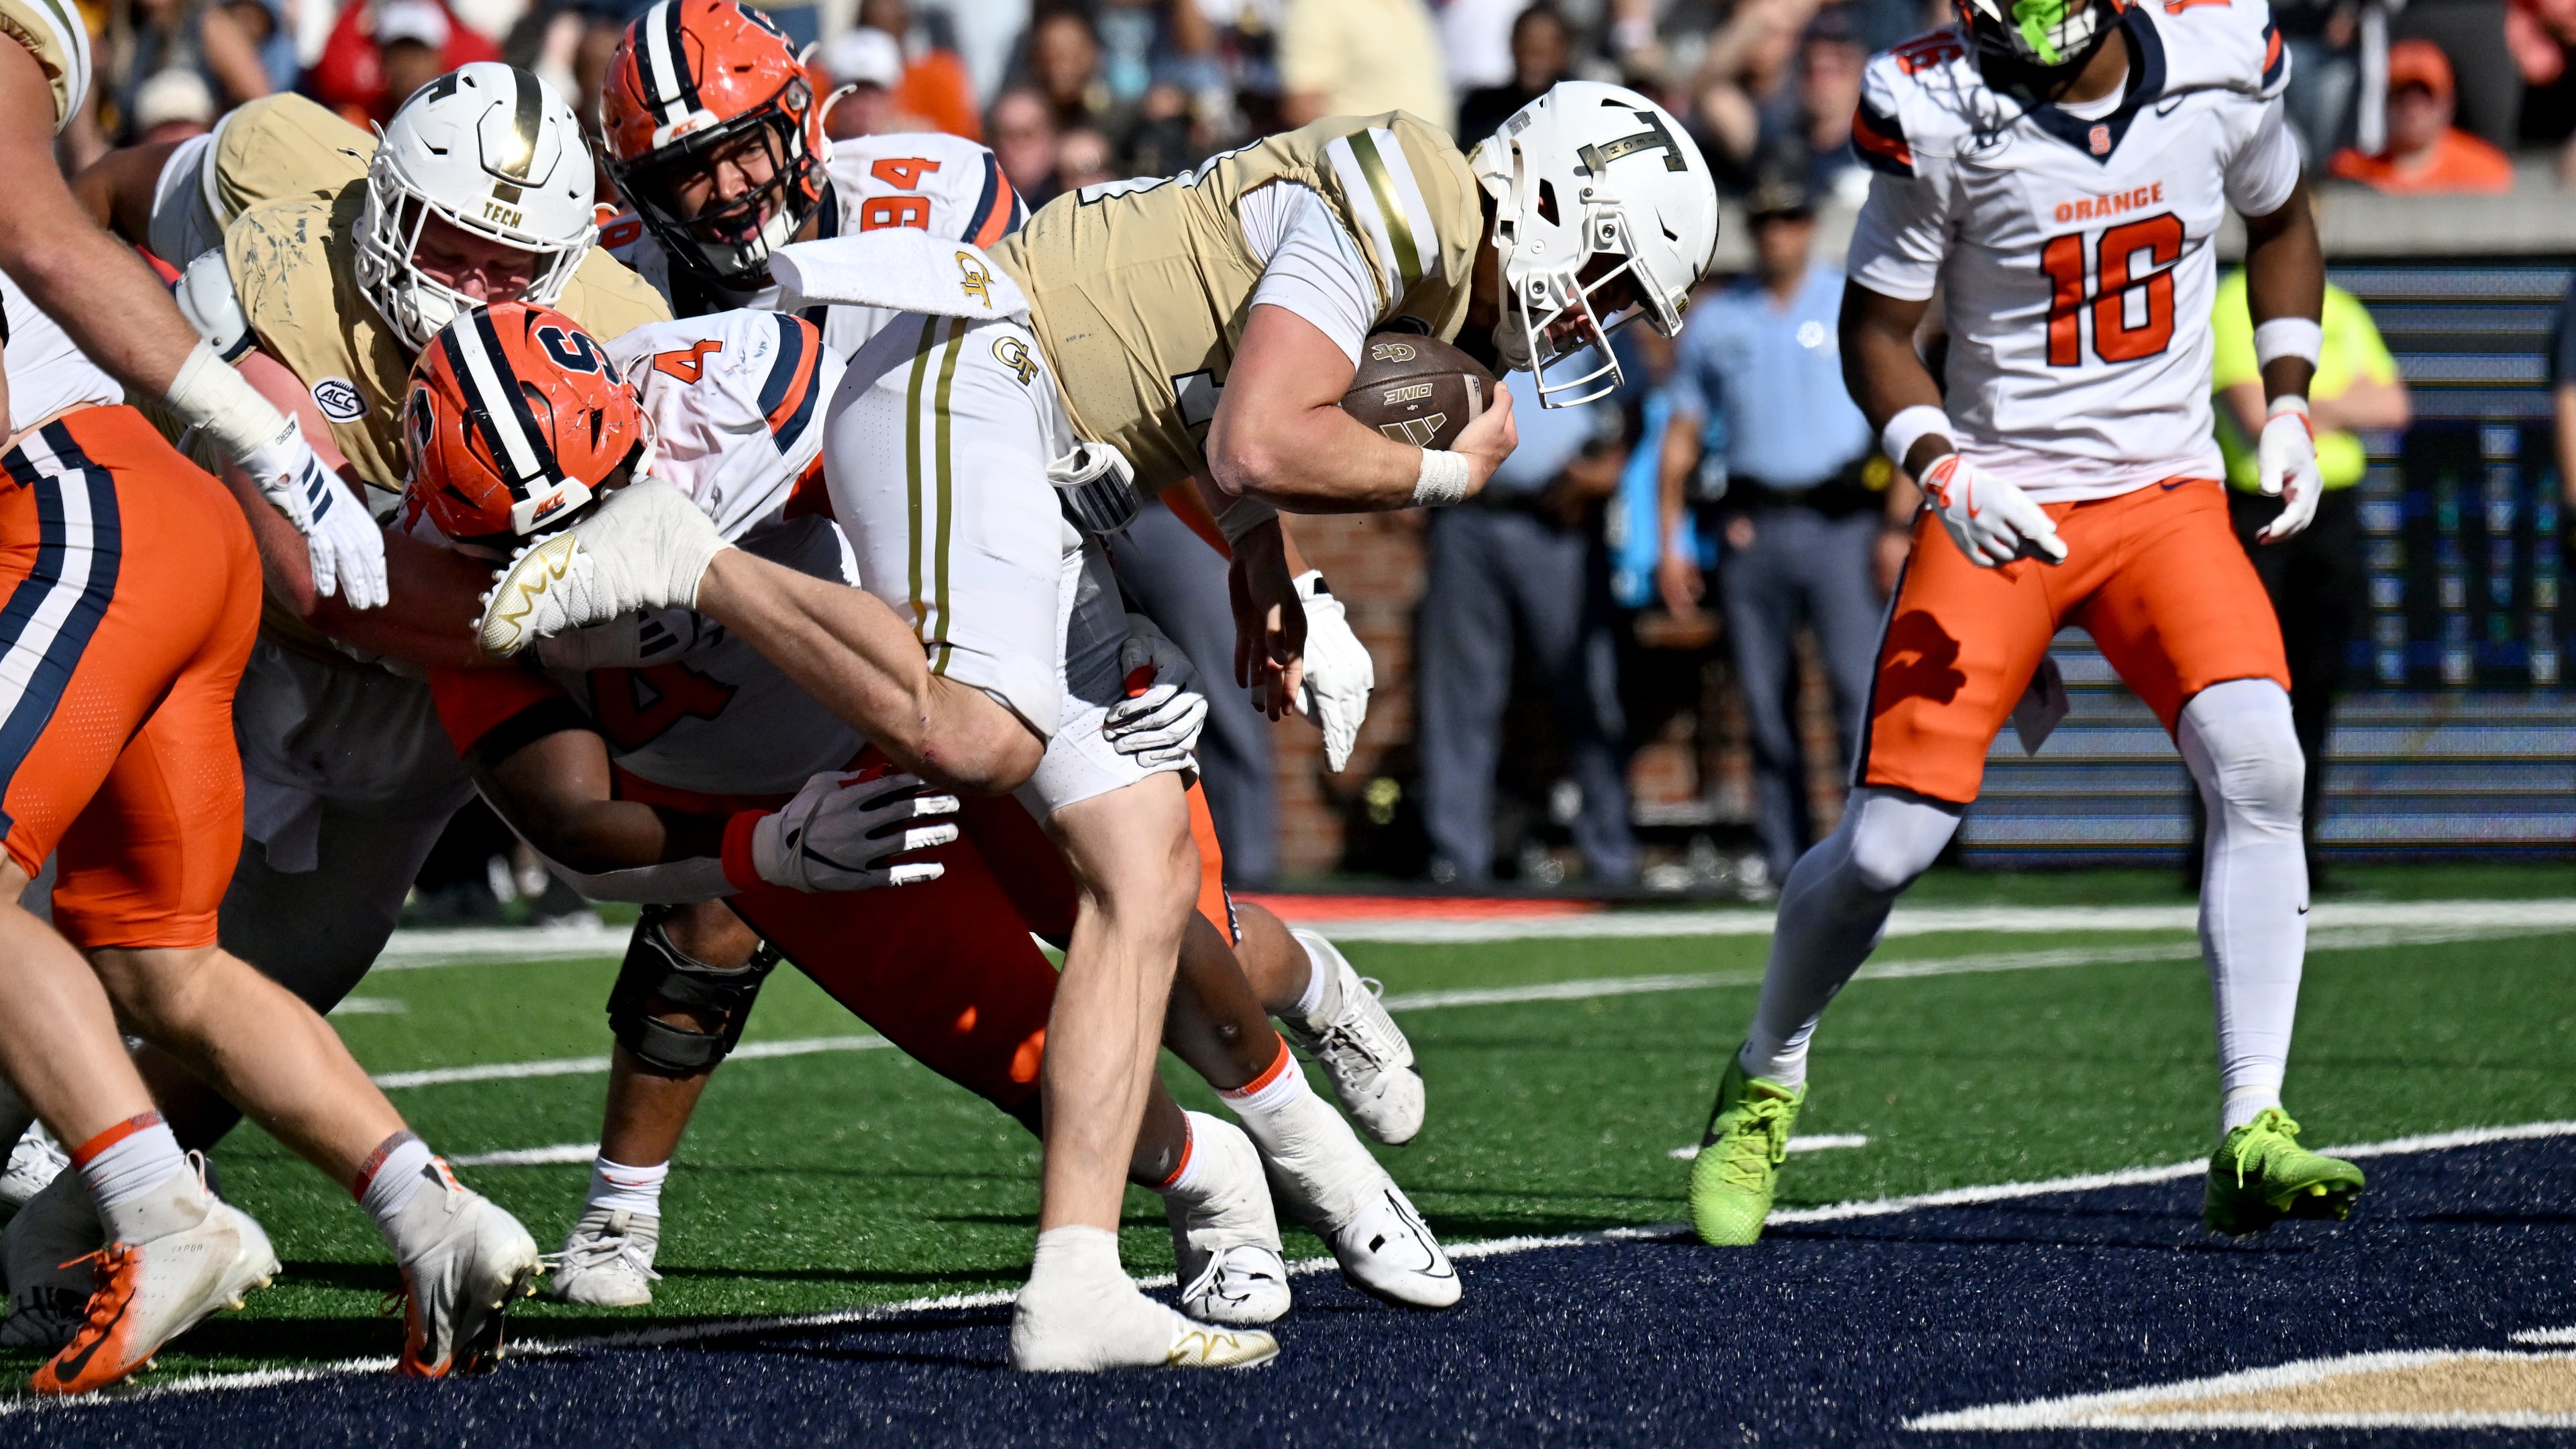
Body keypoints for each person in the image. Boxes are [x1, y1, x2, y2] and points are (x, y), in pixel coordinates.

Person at [479, 79, 1720, 1363]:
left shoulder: (1417, 235)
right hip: (969, 378)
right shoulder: (1411, 200)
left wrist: (1259, 568)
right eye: (1612, 283)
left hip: (1037, 440)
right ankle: (681, 558)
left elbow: (1197, 374)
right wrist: (1445, 470)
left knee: (1146, 870)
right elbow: (1251, 438)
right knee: (979, 737)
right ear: (1563, 200)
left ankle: (1072, 1279)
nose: (1598, 320)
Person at [5, 66, 670, 1352]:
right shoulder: (281, 193)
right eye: (453, 248)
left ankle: (112, 1200)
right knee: (90, 932)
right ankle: (123, 1191)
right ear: (385, 201)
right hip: (240, 634)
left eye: (510, 262)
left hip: (414, 689)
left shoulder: (615, 325)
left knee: (265, 970)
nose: (475, 287)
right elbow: (121, 190)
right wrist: (64, 296)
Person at [1689, 0, 2369, 1249]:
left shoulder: (2222, 59)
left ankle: (2251, 1121)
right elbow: (1876, 332)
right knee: (1891, 846)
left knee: (2261, 762)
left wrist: (2286, 399)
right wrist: (1942, 468)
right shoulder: (1935, 102)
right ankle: (1765, 1076)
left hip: (2162, 494)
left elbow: (2282, 219)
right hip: (2000, 492)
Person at [1655, 174, 1886, 888]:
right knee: (1765, 704)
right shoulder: (1722, 322)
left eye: (1790, 218)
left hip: (1842, 522)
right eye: (1764, 222)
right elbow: (1682, 438)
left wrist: (1900, 521)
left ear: (1810, 223)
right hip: (1753, 529)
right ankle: (1789, 856)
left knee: (1857, 695)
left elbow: (1894, 412)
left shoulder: (1848, 300)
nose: (1777, 234)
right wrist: (1670, 542)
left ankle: (1869, 854)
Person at [2206, 258, 2408, 881]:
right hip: (2258, 512)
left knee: (2317, 687)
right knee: (2240, 687)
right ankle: (2221, 848)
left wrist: (2307, 409)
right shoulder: (2232, 299)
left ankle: (2300, 848)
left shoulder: (2340, 305)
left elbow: (2396, 405)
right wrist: (2342, 404)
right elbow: (2255, 413)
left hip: (2333, 514)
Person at [1416, 359, 1638, 886]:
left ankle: (1612, 854)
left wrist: (1614, 466)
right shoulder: (1464, 297)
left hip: (1557, 518)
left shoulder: (1583, 304)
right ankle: (1456, 859)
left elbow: (1645, 398)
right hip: (1465, 514)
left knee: (1589, 690)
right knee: (1458, 697)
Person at [2327, 38, 2512, 193]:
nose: (2413, 110)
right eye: (2402, 96)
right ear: (2385, 102)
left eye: (2425, 97)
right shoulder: (2354, 172)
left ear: (2448, 104)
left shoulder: (2483, 172)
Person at [1277, 0, 1452, 130]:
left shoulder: (1413, 6)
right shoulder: (1321, 6)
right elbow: (1302, 104)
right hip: (1369, 172)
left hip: (1432, 169)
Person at [1454, 4, 1573, 146]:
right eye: (1526, 50)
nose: (1532, 63)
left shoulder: (1579, 110)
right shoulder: (1480, 110)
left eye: (1542, 53)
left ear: (1563, 52)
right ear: (1512, 46)